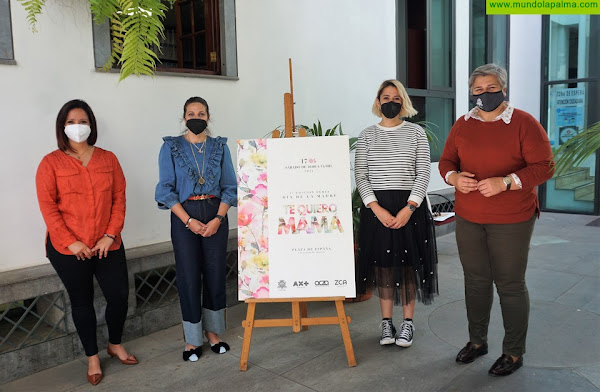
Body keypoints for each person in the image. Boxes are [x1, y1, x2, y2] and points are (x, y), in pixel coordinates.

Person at [438, 64, 554, 377]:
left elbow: (544, 166)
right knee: (475, 281)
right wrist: (453, 176)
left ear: (503, 89)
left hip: (512, 218)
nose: (485, 94)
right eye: (478, 89)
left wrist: (506, 181)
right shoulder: (463, 124)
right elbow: (448, 159)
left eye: (492, 89)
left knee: (510, 284)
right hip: (469, 216)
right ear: (471, 92)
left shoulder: (524, 123)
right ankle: (478, 342)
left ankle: (514, 352)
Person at [35, 99, 137, 386]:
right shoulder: (50, 163)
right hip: (68, 249)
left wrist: (109, 234)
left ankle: (114, 344)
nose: (76, 127)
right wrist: (71, 242)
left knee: (118, 296)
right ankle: (92, 356)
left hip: (108, 243)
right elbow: (48, 207)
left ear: (91, 125)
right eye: (70, 122)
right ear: (62, 127)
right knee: (83, 302)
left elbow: (119, 199)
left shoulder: (108, 159)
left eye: (82, 121)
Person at [355, 80, 439, 349]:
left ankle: (408, 324)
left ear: (403, 102)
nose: (391, 102)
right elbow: (361, 175)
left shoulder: (416, 133)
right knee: (384, 268)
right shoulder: (367, 135)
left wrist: (409, 207)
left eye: (396, 98)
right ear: (378, 101)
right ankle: (386, 322)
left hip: (409, 207)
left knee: (408, 267)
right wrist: (376, 208)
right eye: (386, 97)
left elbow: (424, 172)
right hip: (377, 208)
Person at [155, 96, 237, 362]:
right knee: (189, 276)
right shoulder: (170, 147)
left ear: (208, 118)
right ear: (184, 117)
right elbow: (166, 189)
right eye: (191, 113)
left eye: (201, 113)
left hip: (215, 213)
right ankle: (192, 339)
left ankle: (214, 333)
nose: (196, 117)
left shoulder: (220, 147)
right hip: (184, 216)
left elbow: (229, 187)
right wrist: (188, 221)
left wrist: (218, 219)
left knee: (214, 273)